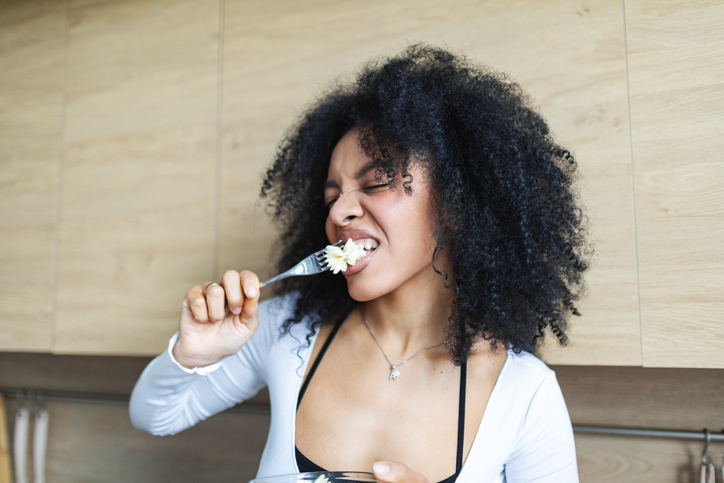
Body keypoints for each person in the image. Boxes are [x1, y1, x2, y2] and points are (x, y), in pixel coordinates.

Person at [130, 44, 591, 483]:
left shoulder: (524, 392)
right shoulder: (284, 331)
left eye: (375, 183)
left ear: (457, 201)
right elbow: (154, 416)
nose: (337, 212)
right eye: (332, 197)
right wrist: (190, 356)